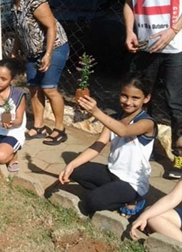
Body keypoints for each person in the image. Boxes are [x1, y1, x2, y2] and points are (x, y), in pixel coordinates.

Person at [123, 0, 182, 179]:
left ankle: (179, 160)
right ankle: (138, 152)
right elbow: (128, 3)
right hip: (145, 48)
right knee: (141, 102)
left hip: (176, 48)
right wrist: (129, 31)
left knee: (175, 103)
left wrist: (172, 31)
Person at [58, 73, 157, 216]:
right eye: (124, 96)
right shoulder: (114, 118)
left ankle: (134, 200)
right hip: (113, 172)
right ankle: (111, 193)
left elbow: (123, 131)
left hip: (132, 183)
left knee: (92, 202)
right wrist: (71, 164)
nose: (128, 102)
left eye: (135, 98)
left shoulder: (147, 123)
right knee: (75, 170)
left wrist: (96, 111)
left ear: (146, 99)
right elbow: (98, 145)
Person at [0, 0, 70, 145]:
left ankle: (60, 129)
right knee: (34, 88)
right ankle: (38, 126)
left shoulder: (34, 0)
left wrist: (48, 54)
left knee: (49, 88)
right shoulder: (14, 5)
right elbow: (19, 32)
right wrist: (15, 51)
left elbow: (51, 26)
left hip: (55, 48)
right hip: (32, 53)